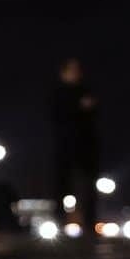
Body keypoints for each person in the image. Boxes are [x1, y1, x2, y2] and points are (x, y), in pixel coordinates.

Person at [53, 58, 99, 234]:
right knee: (61, 185)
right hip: (64, 144)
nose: (75, 73)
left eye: (77, 70)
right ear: (63, 73)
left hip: (86, 145)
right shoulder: (58, 93)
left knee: (88, 186)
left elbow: (95, 113)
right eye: (71, 70)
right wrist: (78, 107)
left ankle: (89, 224)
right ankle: (59, 223)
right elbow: (56, 115)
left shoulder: (86, 90)